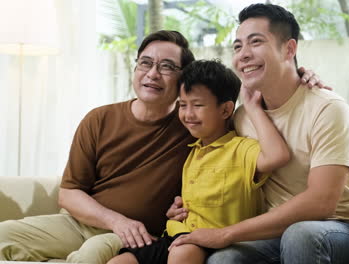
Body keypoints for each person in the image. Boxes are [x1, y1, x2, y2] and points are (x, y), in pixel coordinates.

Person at [0, 29, 320, 262]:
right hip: (84, 223)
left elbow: (245, 98)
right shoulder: (99, 119)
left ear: (183, 79)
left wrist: (302, 77)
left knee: (91, 256)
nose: (153, 73)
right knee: (5, 234)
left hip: (141, 237)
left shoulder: (196, 128)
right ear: (135, 68)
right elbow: (68, 192)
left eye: (167, 66)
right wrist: (116, 220)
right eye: (145, 63)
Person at [167, 4, 349, 264]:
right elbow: (217, 162)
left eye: (255, 43)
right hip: (273, 234)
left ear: (289, 49)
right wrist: (186, 204)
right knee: (222, 260)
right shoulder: (242, 117)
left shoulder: (328, 109)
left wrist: (226, 234)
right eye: (237, 46)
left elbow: (322, 203)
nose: (243, 55)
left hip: (342, 231)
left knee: (301, 235)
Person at [108, 59, 290, 264]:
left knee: (183, 254)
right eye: (183, 105)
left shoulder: (240, 149)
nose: (187, 114)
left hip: (208, 243)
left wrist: (253, 108)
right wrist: (175, 212)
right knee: (119, 262)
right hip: (175, 235)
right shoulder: (193, 151)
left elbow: (278, 156)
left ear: (225, 110)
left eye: (197, 105)